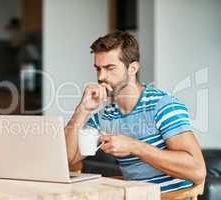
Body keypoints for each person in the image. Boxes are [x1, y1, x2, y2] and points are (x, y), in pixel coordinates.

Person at [64, 31, 206, 192]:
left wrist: (135, 147)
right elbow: (68, 158)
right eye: (98, 69)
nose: (101, 76)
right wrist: (82, 110)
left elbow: (198, 170)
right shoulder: (104, 116)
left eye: (110, 68)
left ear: (132, 68)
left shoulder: (162, 105)